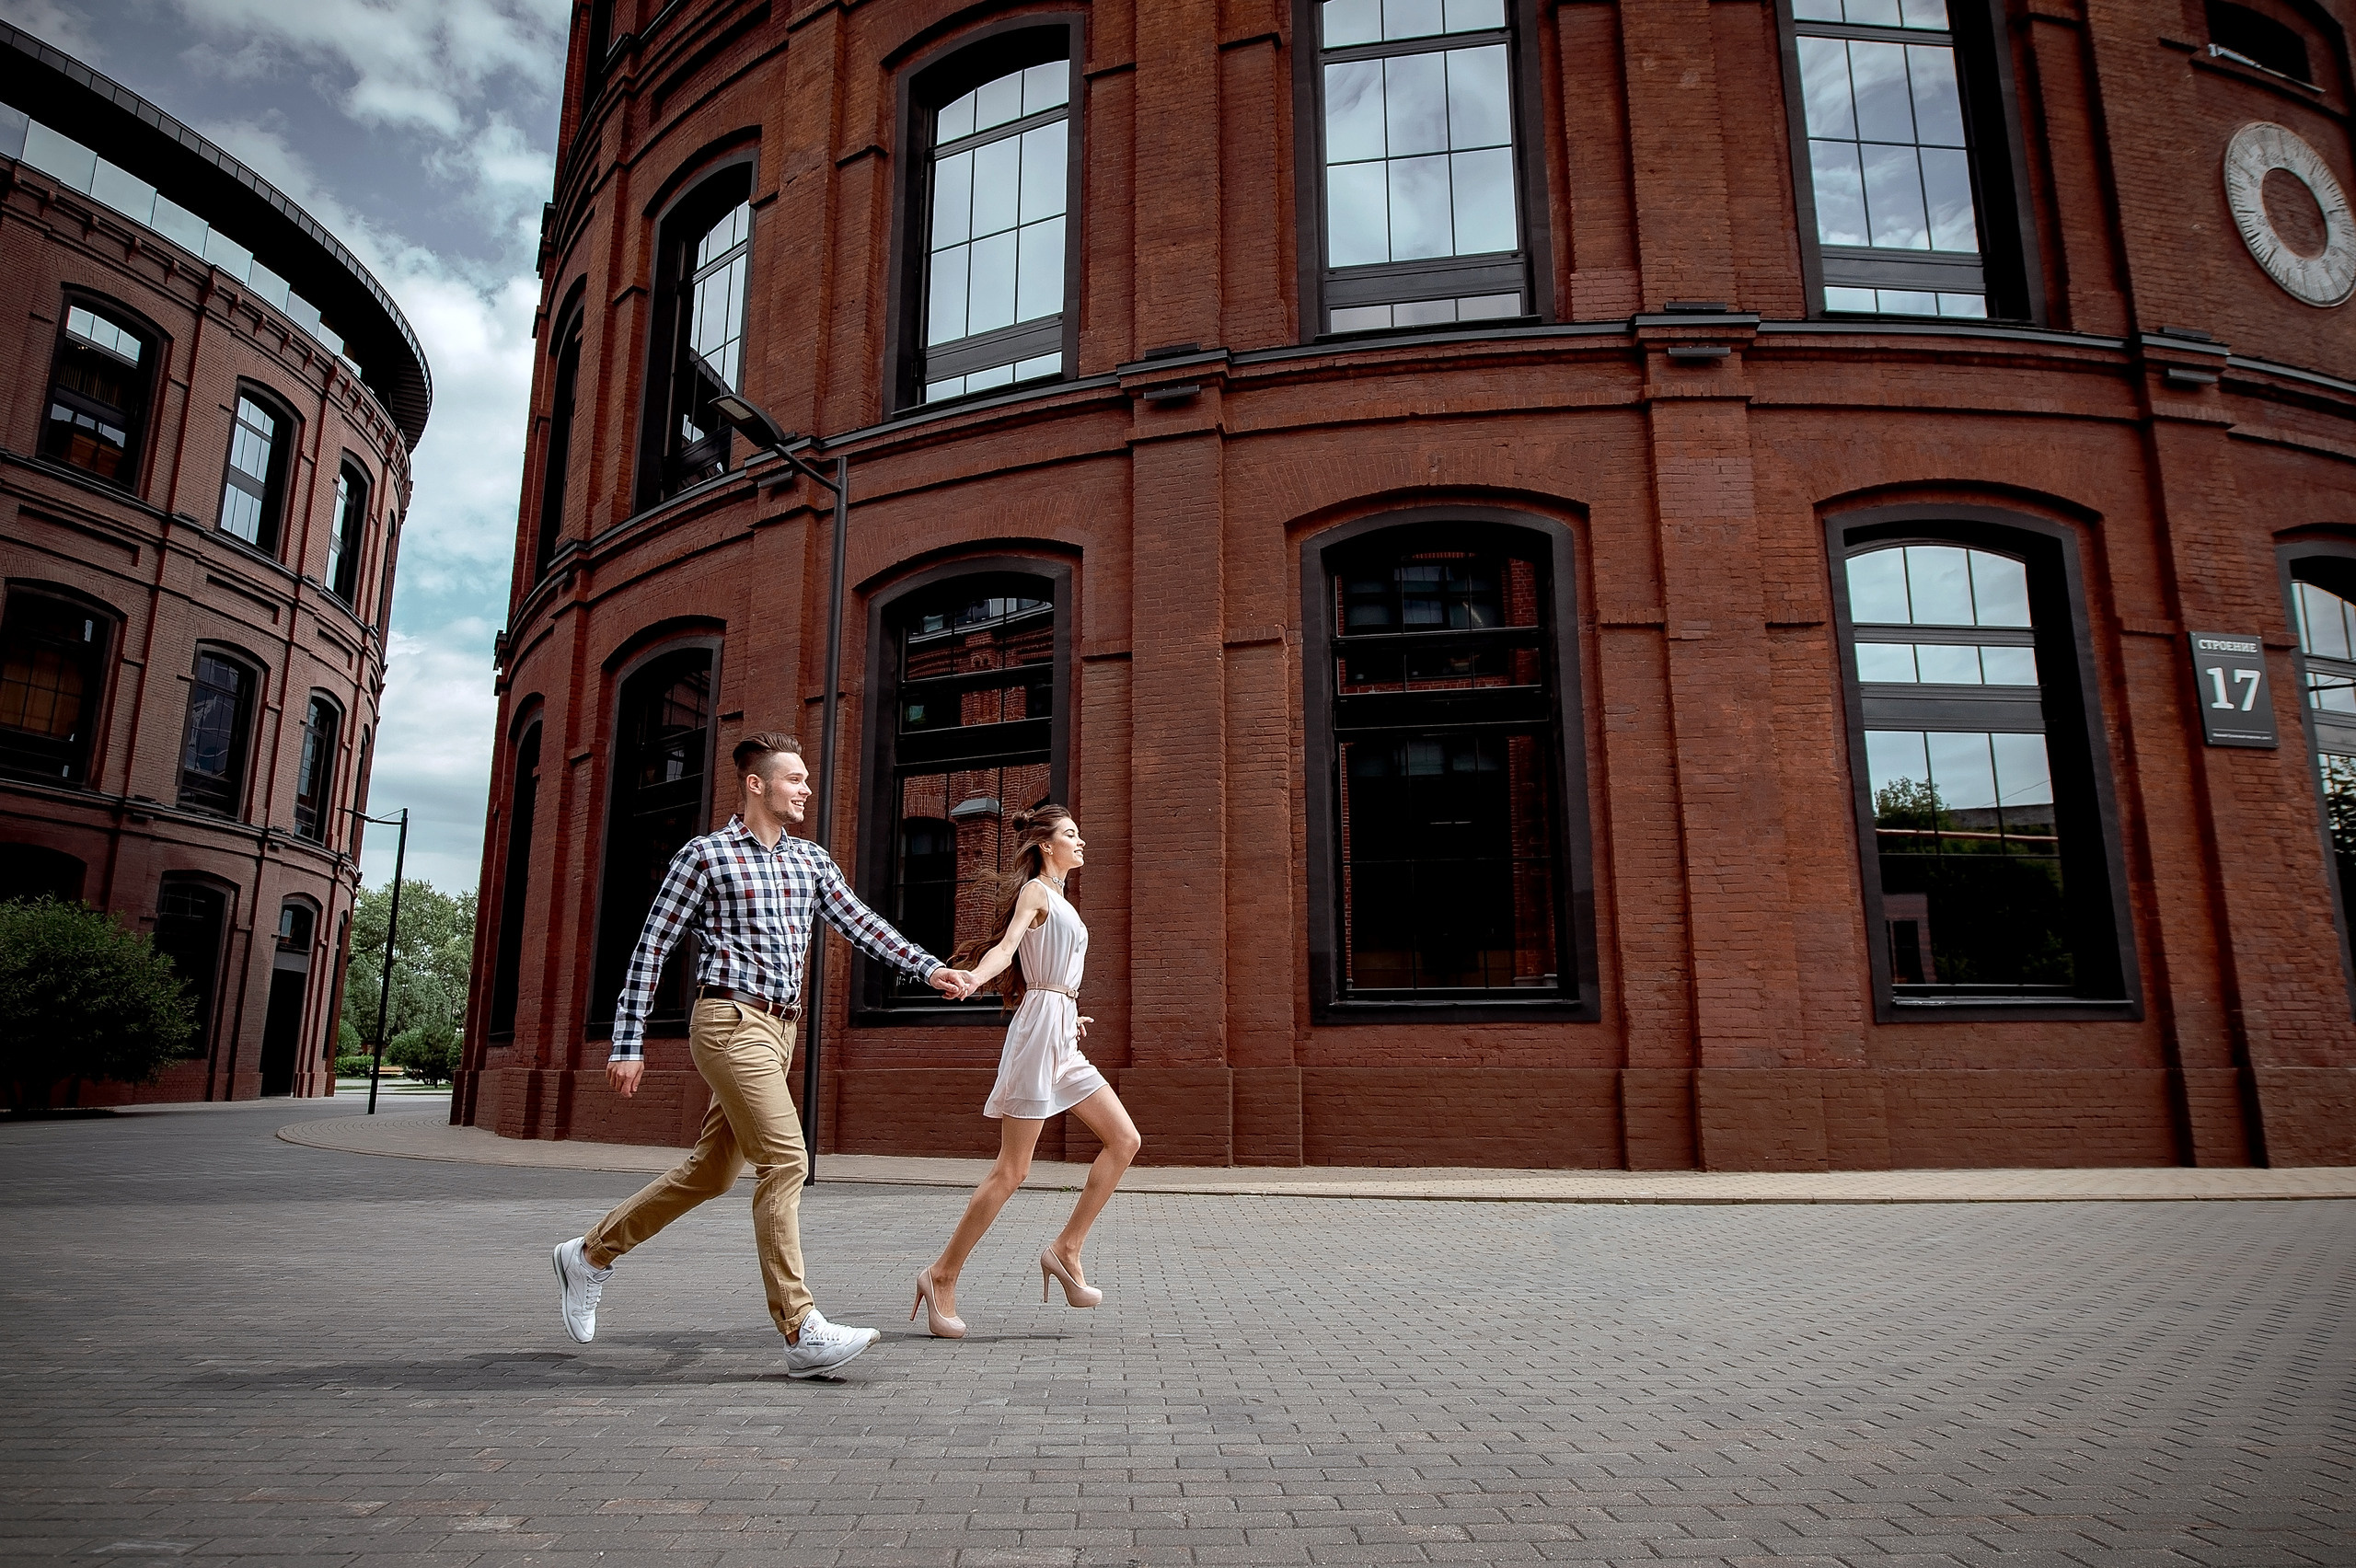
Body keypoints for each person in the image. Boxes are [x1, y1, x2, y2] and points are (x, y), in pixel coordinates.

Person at [549, 731, 976, 1377]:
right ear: (757, 784)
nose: (806, 789)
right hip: (728, 1021)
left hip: (781, 1031)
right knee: (786, 1160)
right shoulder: (706, 856)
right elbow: (651, 948)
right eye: (794, 779)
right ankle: (801, 1328)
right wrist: (628, 1041)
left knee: (712, 1173)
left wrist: (928, 967)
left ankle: (588, 1255)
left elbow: (861, 923)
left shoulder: (810, 861)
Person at [911, 806, 1141, 1338]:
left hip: (1060, 1031)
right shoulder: (1037, 892)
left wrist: (1068, 1009)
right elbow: (1007, 948)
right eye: (1071, 835)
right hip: (1038, 1036)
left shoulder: (1062, 899)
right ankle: (941, 1275)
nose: (1081, 842)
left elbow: (1051, 972)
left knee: (1125, 1140)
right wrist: (973, 978)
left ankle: (1066, 1249)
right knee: (1012, 1170)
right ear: (1045, 845)